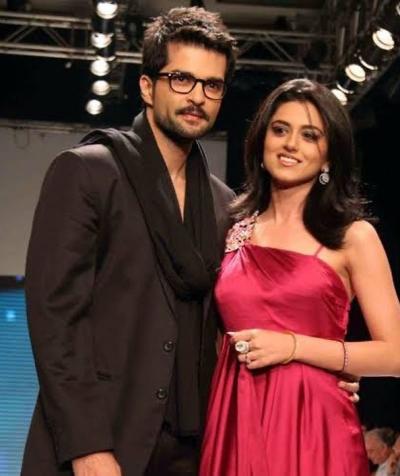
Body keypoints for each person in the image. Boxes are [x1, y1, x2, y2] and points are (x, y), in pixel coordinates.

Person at [21, 7, 237, 476]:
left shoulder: (224, 204)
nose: (197, 96)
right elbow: (55, 317)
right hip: (101, 439)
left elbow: (234, 324)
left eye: (212, 85)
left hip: (191, 449)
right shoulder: (89, 172)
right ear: (147, 86)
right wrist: (87, 446)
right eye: (181, 79)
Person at [200, 78, 400, 475]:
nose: (291, 144)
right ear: (261, 141)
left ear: (328, 156)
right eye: (280, 130)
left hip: (313, 426)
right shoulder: (233, 229)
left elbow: (394, 355)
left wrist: (295, 347)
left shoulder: (353, 236)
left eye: (309, 135)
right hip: (234, 417)